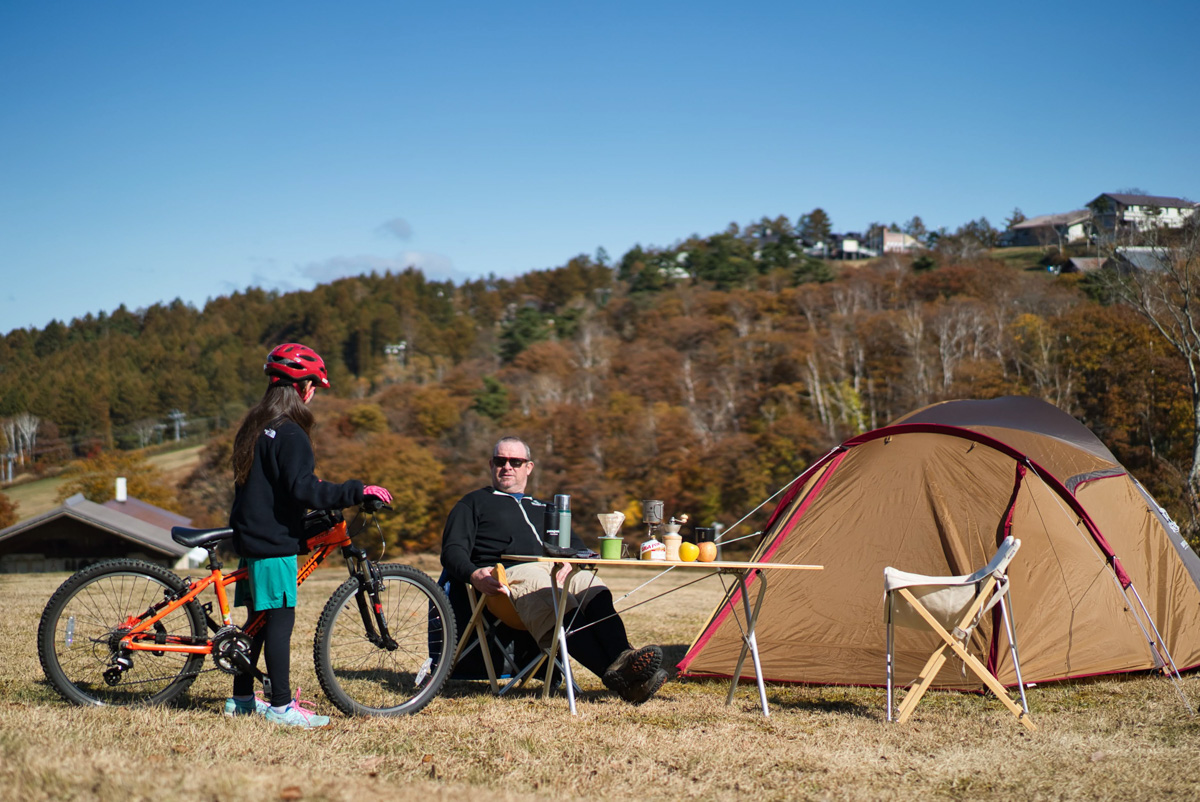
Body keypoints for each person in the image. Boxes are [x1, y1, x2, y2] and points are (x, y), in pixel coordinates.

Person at [225, 342, 393, 728]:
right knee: (279, 620)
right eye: (315, 385)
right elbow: (303, 488)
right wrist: (356, 490)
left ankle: (242, 699)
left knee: (258, 621)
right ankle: (282, 707)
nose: (314, 393)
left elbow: (274, 487)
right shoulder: (291, 433)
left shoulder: (256, 425)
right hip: (272, 543)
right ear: (303, 388)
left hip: (252, 537)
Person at [441, 436, 668, 704]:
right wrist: (474, 574)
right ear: (491, 464)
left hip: (554, 573)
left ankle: (624, 659)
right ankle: (625, 677)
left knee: (589, 583)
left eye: (516, 461)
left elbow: (578, 547)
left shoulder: (545, 508)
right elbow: (452, 551)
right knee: (551, 591)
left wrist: (571, 562)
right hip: (509, 579)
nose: (507, 467)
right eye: (501, 461)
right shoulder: (474, 503)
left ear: (529, 467)